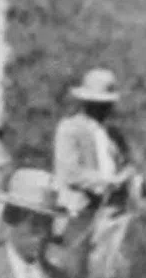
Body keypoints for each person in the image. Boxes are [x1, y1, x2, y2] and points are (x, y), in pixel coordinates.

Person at [52, 67, 133, 217]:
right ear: (86, 102)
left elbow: (126, 164)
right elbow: (70, 173)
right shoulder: (70, 129)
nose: (104, 109)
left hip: (113, 209)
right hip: (80, 209)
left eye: (107, 104)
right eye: (98, 104)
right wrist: (108, 181)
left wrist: (129, 176)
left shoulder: (113, 134)